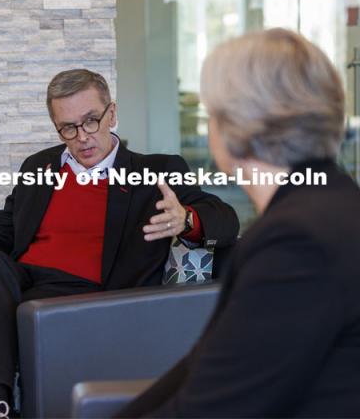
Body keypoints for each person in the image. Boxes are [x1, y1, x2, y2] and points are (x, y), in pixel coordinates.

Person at [0, 69, 239, 419]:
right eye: (68, 128)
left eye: (91, 121)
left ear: (112, 114)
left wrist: (186, 219)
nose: (82, 137)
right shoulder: (39, 167)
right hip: (20, 287)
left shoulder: (156, 170)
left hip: (84, 301)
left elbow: (225, 218)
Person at [117, 28, 360, 418]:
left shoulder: (298, 243)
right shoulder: (333, 206)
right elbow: (201, 366)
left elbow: (211, 408)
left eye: (212, 112)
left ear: (236, 129)